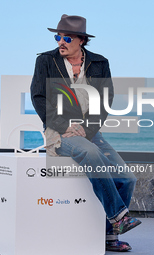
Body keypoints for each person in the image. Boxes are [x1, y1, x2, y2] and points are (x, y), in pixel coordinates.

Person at [30, 14, 141, 252]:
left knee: (126, 178)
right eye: (57, 36)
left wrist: (87, 128)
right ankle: (119, 218)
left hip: (89, 131)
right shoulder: (46, 61)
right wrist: (63, 126)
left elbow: (105, 100)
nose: (60, 41)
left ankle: (110, 238)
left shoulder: (99, 63)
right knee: (90, 153)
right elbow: (39, 97)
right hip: (58, 133)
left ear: (81, 40)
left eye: (66, 37)